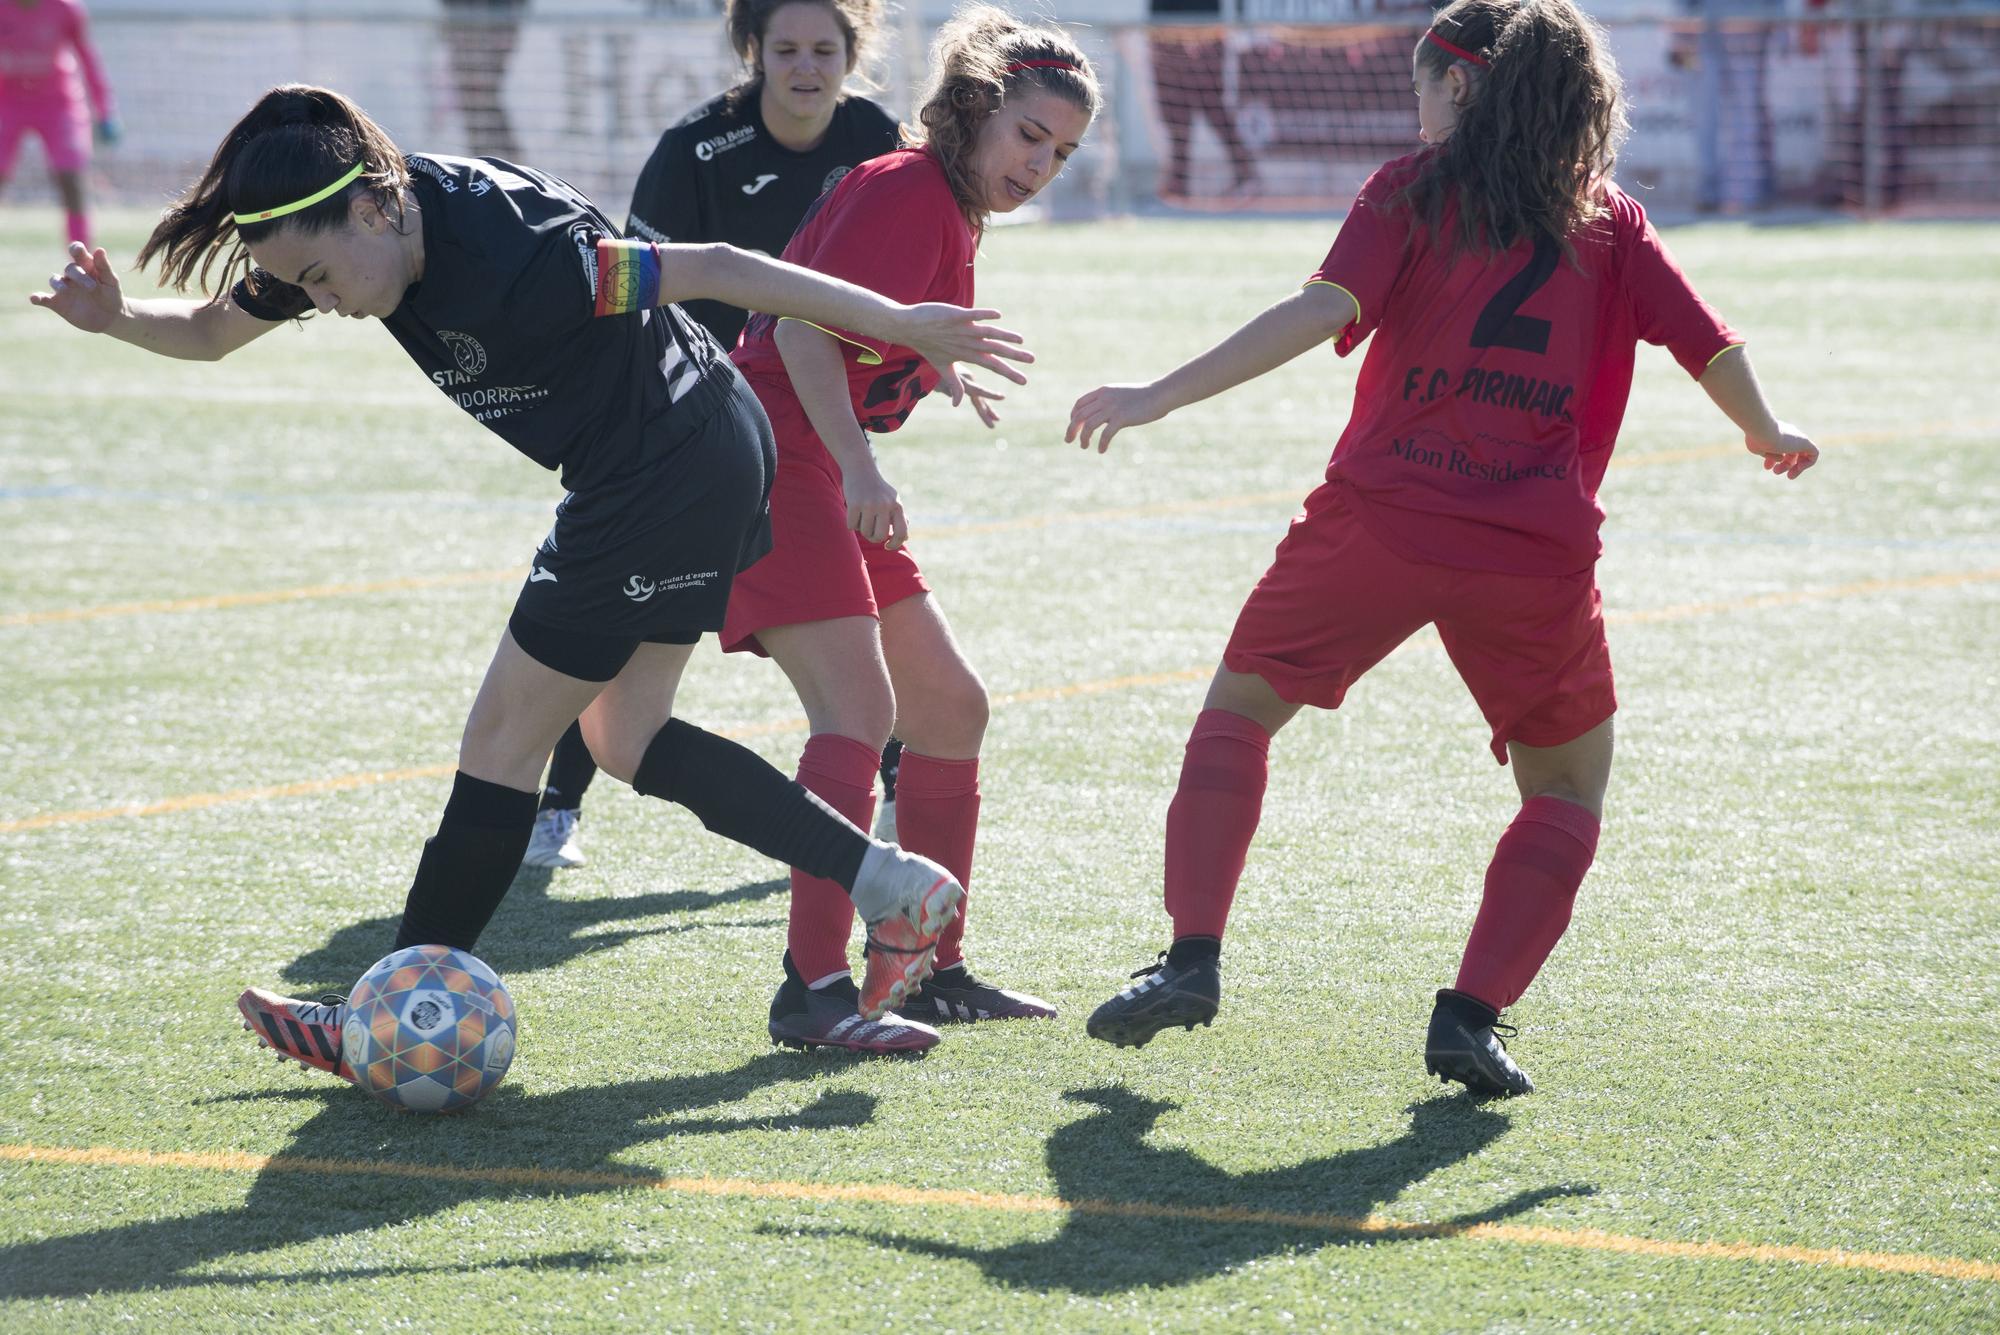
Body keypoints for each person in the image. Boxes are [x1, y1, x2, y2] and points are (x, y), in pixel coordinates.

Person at [29, 83, 1041, 1076]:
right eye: (301, 286)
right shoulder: (351, 219)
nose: (321, 304)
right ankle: (881, 884)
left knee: (503, 741)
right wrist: (116, 317)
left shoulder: (531, 262)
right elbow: (209, 333)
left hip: (666, 469)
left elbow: (724, 267)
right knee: (620, 736)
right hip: (678, 461)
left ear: (378, 204)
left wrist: (899, 323)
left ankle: (379, 1010)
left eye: (322, 277)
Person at [1068, 0, 1819, 1096]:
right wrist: (1764, 430)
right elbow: (1706, 341)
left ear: (1459, 87)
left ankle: (1191, 958)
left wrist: (1159, 393)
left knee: (1238, 713)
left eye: (1422, 87)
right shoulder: (1611, 219)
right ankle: (1468, 1019)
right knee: (1564, 789)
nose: (1414, 109)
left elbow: (1319, 307)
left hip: (1375, 524)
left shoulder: (1407, 193)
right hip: (1530, 556)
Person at [723, 6, 1099, 1047]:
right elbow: (798, 332)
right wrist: (859, 462)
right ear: (974, 106)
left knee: (947, 712)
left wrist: (920, 367)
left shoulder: (941, 204)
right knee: (855, 711)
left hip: (808, 459)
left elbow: (851, 321)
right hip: (777, 460)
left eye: (1060, 154)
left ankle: (931, 970)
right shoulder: (909, 190)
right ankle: (812, 992)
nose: (1039, 164)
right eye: (1028, 134)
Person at [526, 0, 905, 872]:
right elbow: (630, 286)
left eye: (824, 49)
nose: (805, 67)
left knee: (858, 605)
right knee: (637, 603)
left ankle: (886, 804)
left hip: (812, 414)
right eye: (786, 49)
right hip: (695, 415)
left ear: (852, 55)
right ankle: (555, 807)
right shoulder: (693, 151)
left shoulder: (877, 138)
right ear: (752, 52)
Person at [0, 0, 117, 248]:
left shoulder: (66, 10)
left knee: (71, 178)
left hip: (58, 104)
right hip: (7, 102)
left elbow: (88, 59)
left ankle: (81, 257)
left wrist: (105, 110)